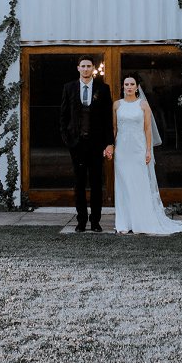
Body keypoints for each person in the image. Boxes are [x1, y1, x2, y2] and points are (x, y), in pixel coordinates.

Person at [109, 74, 182, 235]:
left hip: (138, 149)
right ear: (123, 86)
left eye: (132, 84)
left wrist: (148, 150)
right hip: (122, 150)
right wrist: (111, 146)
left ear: (137, 87)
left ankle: (141, 221)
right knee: (123, 185)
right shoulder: (117, 105)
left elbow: (147, 129)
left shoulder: (143, 104)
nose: (129, 87)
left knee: (139, 184)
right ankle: (125, 222)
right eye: (126, 84)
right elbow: (114, 128)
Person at [59, 56, 113, 232]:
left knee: (96, 183)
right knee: (79, 183)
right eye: (83, 66)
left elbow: (107, 119)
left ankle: (95, 221)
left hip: (96, 145)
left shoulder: (103, 88)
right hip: (77, 144)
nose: (86, 69)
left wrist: (109, 143)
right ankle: (81, 221)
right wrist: (68, 139)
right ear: (78, 68)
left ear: (93, 68)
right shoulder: (69, 88)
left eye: (89, 66)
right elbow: (63, 116)